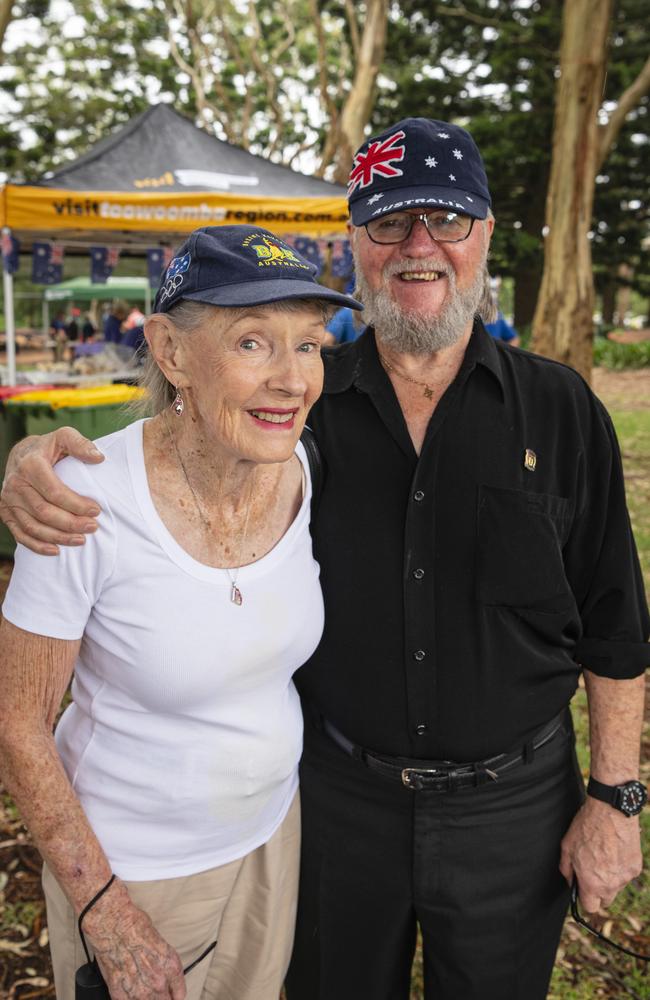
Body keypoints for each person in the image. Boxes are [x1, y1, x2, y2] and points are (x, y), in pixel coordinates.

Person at [1, 119, 648, 1000]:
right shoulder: (304, 417)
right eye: (389, 223)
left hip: (514, 811)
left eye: (447, 220)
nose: (418, 246)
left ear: (486, 236)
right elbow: (174, 448)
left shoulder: (564, 411)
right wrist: (32, 459)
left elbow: (615, 626)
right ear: (356, 245)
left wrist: (616, 800)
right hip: (338, 808)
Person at [0, 225, 361, 1000]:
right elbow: (17, 721)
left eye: (309, 345)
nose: (293, 379)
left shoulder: (300, 463)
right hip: (138, 872)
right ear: (169, 353)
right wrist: (104, 909)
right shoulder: (84, 503)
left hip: (272, 835)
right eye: (253, 343)